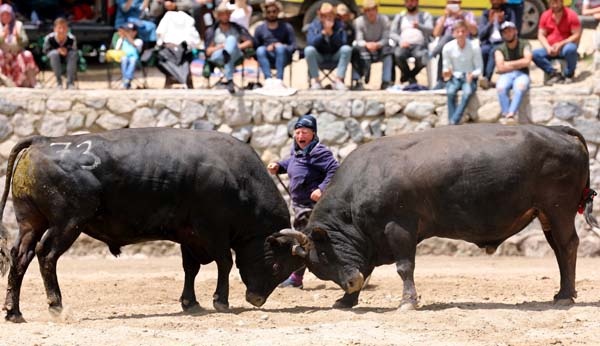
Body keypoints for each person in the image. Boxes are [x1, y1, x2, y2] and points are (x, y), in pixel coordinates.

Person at [267, 114, 339, 289]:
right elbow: (292, 162)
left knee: (304, 242)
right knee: (309, 242)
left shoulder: (319, 152)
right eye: (297, 132)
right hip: (299, 206)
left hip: (312, 207)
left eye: (304, 132)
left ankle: (296, 278)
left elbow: (334, 169)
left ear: (313, 134)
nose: (300, 136)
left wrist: (321, 189)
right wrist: (279, 166)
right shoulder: (297, 151)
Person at [204, 1, 253, 94]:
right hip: (218, 55)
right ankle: (229, 79)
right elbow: (208, 52)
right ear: (218, 15)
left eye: (227, 14)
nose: (225, 16)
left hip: (236, 53)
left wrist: (237, 45)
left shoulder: (237, 28)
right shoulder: (213, 31)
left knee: (231, 40)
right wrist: (219, 47)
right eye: (223, 14)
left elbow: (249, 42)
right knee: (227, 54)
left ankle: (229, 78)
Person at [442, 20, 483, 125]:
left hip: (469, 76)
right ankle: (453, 120)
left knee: (467, 92)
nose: (460, 34)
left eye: (463, 31)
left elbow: (479, 68)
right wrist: (447, 73)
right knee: (450, 92)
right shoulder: (447, 48)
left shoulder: (474, 47)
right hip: (455, 77)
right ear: (453, 33)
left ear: (467, 33)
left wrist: (472, 75)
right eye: (458, 31)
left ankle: (454, 120)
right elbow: (446, 67)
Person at [304, 2, 352, 90]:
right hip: (320, 56)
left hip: (334, 55)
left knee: (347, 49)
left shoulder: (340, 25)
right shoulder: (314, 26)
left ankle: (338, 81)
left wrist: (332, 34)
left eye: (330, 16)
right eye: (324, 16)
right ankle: (317, 82)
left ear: (334, 16)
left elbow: (343, 43)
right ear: (321, 17)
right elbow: (311, 43)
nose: (327, 18)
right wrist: (322, 35)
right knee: (308, 50)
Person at [532, 0, 581, 85]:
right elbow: (541, 35)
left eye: (557, 2)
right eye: (552, 3)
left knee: (571, 49)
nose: (554, 5)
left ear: (561, 2)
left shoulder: (571, 15)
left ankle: (568, 74)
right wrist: (547, 47)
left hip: (564, 47)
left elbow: (576, 34)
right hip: (550, 48)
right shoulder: (545, 15)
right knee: (534, 54)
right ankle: (553, 73)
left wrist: (561, 44)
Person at [431, 0, 477, 89]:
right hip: (447, 45)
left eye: (455, 2)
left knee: (448, 37)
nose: (453, 5)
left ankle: (432, 54)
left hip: (463, 40)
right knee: (444, 48)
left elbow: (474, 31)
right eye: (451, 2)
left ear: (460, 4)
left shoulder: (467, 15)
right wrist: (445, 16)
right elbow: (436, 33)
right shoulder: (444, 17)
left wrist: (463, 17)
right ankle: (441, 81)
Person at [350, 0, 393, 90]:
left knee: (388, 52)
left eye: (372, 10)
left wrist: (377, 44)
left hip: (379, 47)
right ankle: (357, 81)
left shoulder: (384, 20)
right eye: (367, 10)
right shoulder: (359, 22)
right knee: (355, 51)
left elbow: (386, 39)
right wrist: (367, 44)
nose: (370, 13)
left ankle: (386, 81)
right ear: (364, 11)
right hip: (365, 48)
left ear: (376, 10)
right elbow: (359, 40)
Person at [254, 0, 296, 88]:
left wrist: (282, 46)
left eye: (274, 11)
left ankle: (279, 79)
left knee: (280, 49)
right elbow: (255, 47)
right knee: (260, 50)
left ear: (278, 12)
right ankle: (268, 79)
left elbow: (293, 46)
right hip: (266, 56)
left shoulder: (286, 27)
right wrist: (267, 47)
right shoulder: (260, 29)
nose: (271, 14)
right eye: (269, 12)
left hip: (283, 56)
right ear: (265, 13)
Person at [390, 0, 433, 85]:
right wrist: (400, 41)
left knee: (423, 58)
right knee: (397, 55)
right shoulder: (400, 16)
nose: (410, 4)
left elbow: (431, 30)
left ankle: (408, 76)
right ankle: (410, 77)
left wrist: (419, 26)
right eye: (407, 1)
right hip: (404, 45)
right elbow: (392, 33)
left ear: (417, 2)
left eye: (412, 1)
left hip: (419, 45)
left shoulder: (425, 15)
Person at [494, 21, 531, 120]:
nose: (508, 34)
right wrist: (519, 63)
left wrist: (508, 64)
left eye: (510, 31)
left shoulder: (524, 44)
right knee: (500, 88)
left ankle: (511, 113)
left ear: (515, 31)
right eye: (505, 32)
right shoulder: (499, 49)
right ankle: (506, 114)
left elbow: (527, 61)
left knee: (520, 88)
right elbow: (500, 67)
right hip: (506, 75)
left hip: (522, 74)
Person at [478, 0, 515, 89]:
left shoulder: (508, 12)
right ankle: (485, 77)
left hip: (503, 42)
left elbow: (512, 30)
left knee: (494, 51)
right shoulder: (486, 14)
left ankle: (487, 78)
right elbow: (481, 35)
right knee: (484, 50)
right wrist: (490, 23)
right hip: (488, 42)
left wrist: (502, 22)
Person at [0, 4, 38, 88]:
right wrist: (3, 36)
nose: (5, 17)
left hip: (17, 53)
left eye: (7, 14)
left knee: (27, 54)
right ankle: (3, 82)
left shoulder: (18, 25)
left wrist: (18, 37)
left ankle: (32, 82)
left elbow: (25, 42)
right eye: (3, 15)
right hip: (3, 55)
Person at [43, 17, 78, 89]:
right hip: (53, 58)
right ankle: (59, 82)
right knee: (54, 54)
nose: (62, 30)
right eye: (59, 28)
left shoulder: (71, 38)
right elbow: (45, 51)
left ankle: (70, 82)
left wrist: (66, 50)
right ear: (55, 29)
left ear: (67, 29)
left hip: (67, 57)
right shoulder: (49, 38)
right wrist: (57, 51)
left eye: (64, 28)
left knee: (73, 55)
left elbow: (74, 49)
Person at [112, 22, 143, 89]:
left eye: (130, 31)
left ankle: (126, 79)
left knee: (132, 60)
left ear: (135, 32)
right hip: (123, 57)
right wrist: (122, 38)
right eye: (127, 31)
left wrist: (127, 35)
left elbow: (135, 45)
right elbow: (117, 49)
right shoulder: (121, 40)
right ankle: (127, 80)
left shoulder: (139, 41)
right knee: (124, 59)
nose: (129, 33)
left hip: (135, 59)